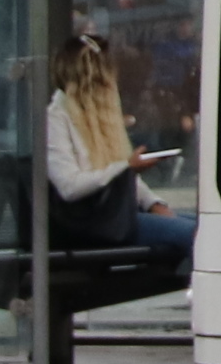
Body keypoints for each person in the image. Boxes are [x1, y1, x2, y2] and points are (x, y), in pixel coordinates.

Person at [45, 34, 195, 263]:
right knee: (195, 235)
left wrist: (154, 204)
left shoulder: (99, 114)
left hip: (117, 214)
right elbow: (69, 186)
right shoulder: (55, 118)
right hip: (92, 223)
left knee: (210, 228)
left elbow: (125, 172)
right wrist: (126, 167)